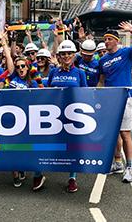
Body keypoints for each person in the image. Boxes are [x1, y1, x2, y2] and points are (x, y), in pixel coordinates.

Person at [98, 23, 132, 183]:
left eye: (109, 39)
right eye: (105, 39)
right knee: (113, 133)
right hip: (109, 100)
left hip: (124, 98)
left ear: (116, 41)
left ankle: (129, 167)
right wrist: (96, 94)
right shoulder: (102, 60)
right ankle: (117, 163)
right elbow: (101, 81)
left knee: (125, 133)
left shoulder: (126, 53)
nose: (106, 42)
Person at [2, 35, 45, 191]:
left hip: (29, 121)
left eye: (23, 66)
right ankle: (16, 173)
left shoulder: (33, 83)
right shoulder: (12, 77)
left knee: (31, 148)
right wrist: (4, 42)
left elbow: (43, 98)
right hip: (11, 120)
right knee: (11, 148)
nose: (20, 69)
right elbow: (9, 56)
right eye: (18, 66)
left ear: (28, 67)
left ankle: (38, 174)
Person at [47, 40, 87, 193]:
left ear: (74, 55)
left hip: (72, 117)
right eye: (63, 54)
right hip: (53, 117)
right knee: (47, 145)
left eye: (69, 53)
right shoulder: (53, 72)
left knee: (72, 148)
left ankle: (72, 178)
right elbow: (48, 92)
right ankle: (39, 173)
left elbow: (85, 95)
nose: (66, 56)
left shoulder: (80, 73)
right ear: (59, 56)